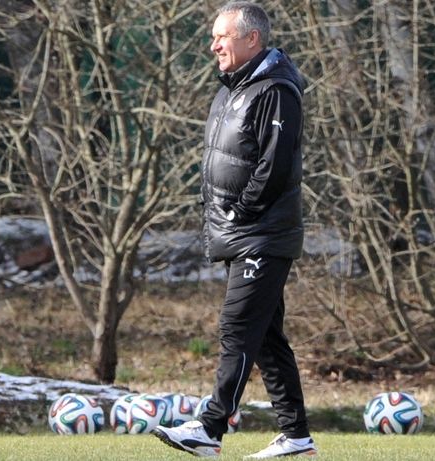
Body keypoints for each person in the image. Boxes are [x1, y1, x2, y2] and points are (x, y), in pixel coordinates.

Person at [152, 2, 316, 459]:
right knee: (266, 337)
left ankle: (210, 428)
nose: (213, 46)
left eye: (221, 36)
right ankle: (296, 437)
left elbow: (274, 165)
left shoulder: (276, 90)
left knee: (238, 326)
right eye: (213, 37)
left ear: (251, 39)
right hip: (241, 233)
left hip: (261, 234)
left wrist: (241, 212)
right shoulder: (233, 89)